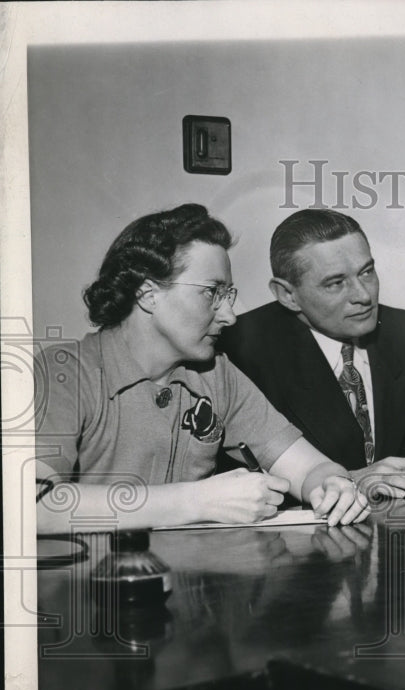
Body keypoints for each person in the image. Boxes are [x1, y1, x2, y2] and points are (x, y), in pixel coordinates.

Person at [34, 204, 367, 534]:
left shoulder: (215, 374)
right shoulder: (63, 373)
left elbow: (307, 467)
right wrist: (195, 501)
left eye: (228, 295)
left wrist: (332, 486)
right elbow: (29, 504)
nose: (230, 316)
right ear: (148, 294)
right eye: (212, 293)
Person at [218, 209, 405, 500]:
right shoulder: (235, 350)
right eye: (336, 283)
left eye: (367, 272)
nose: (363, 295)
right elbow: (231, 481)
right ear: (287, 295)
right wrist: (348, 481)